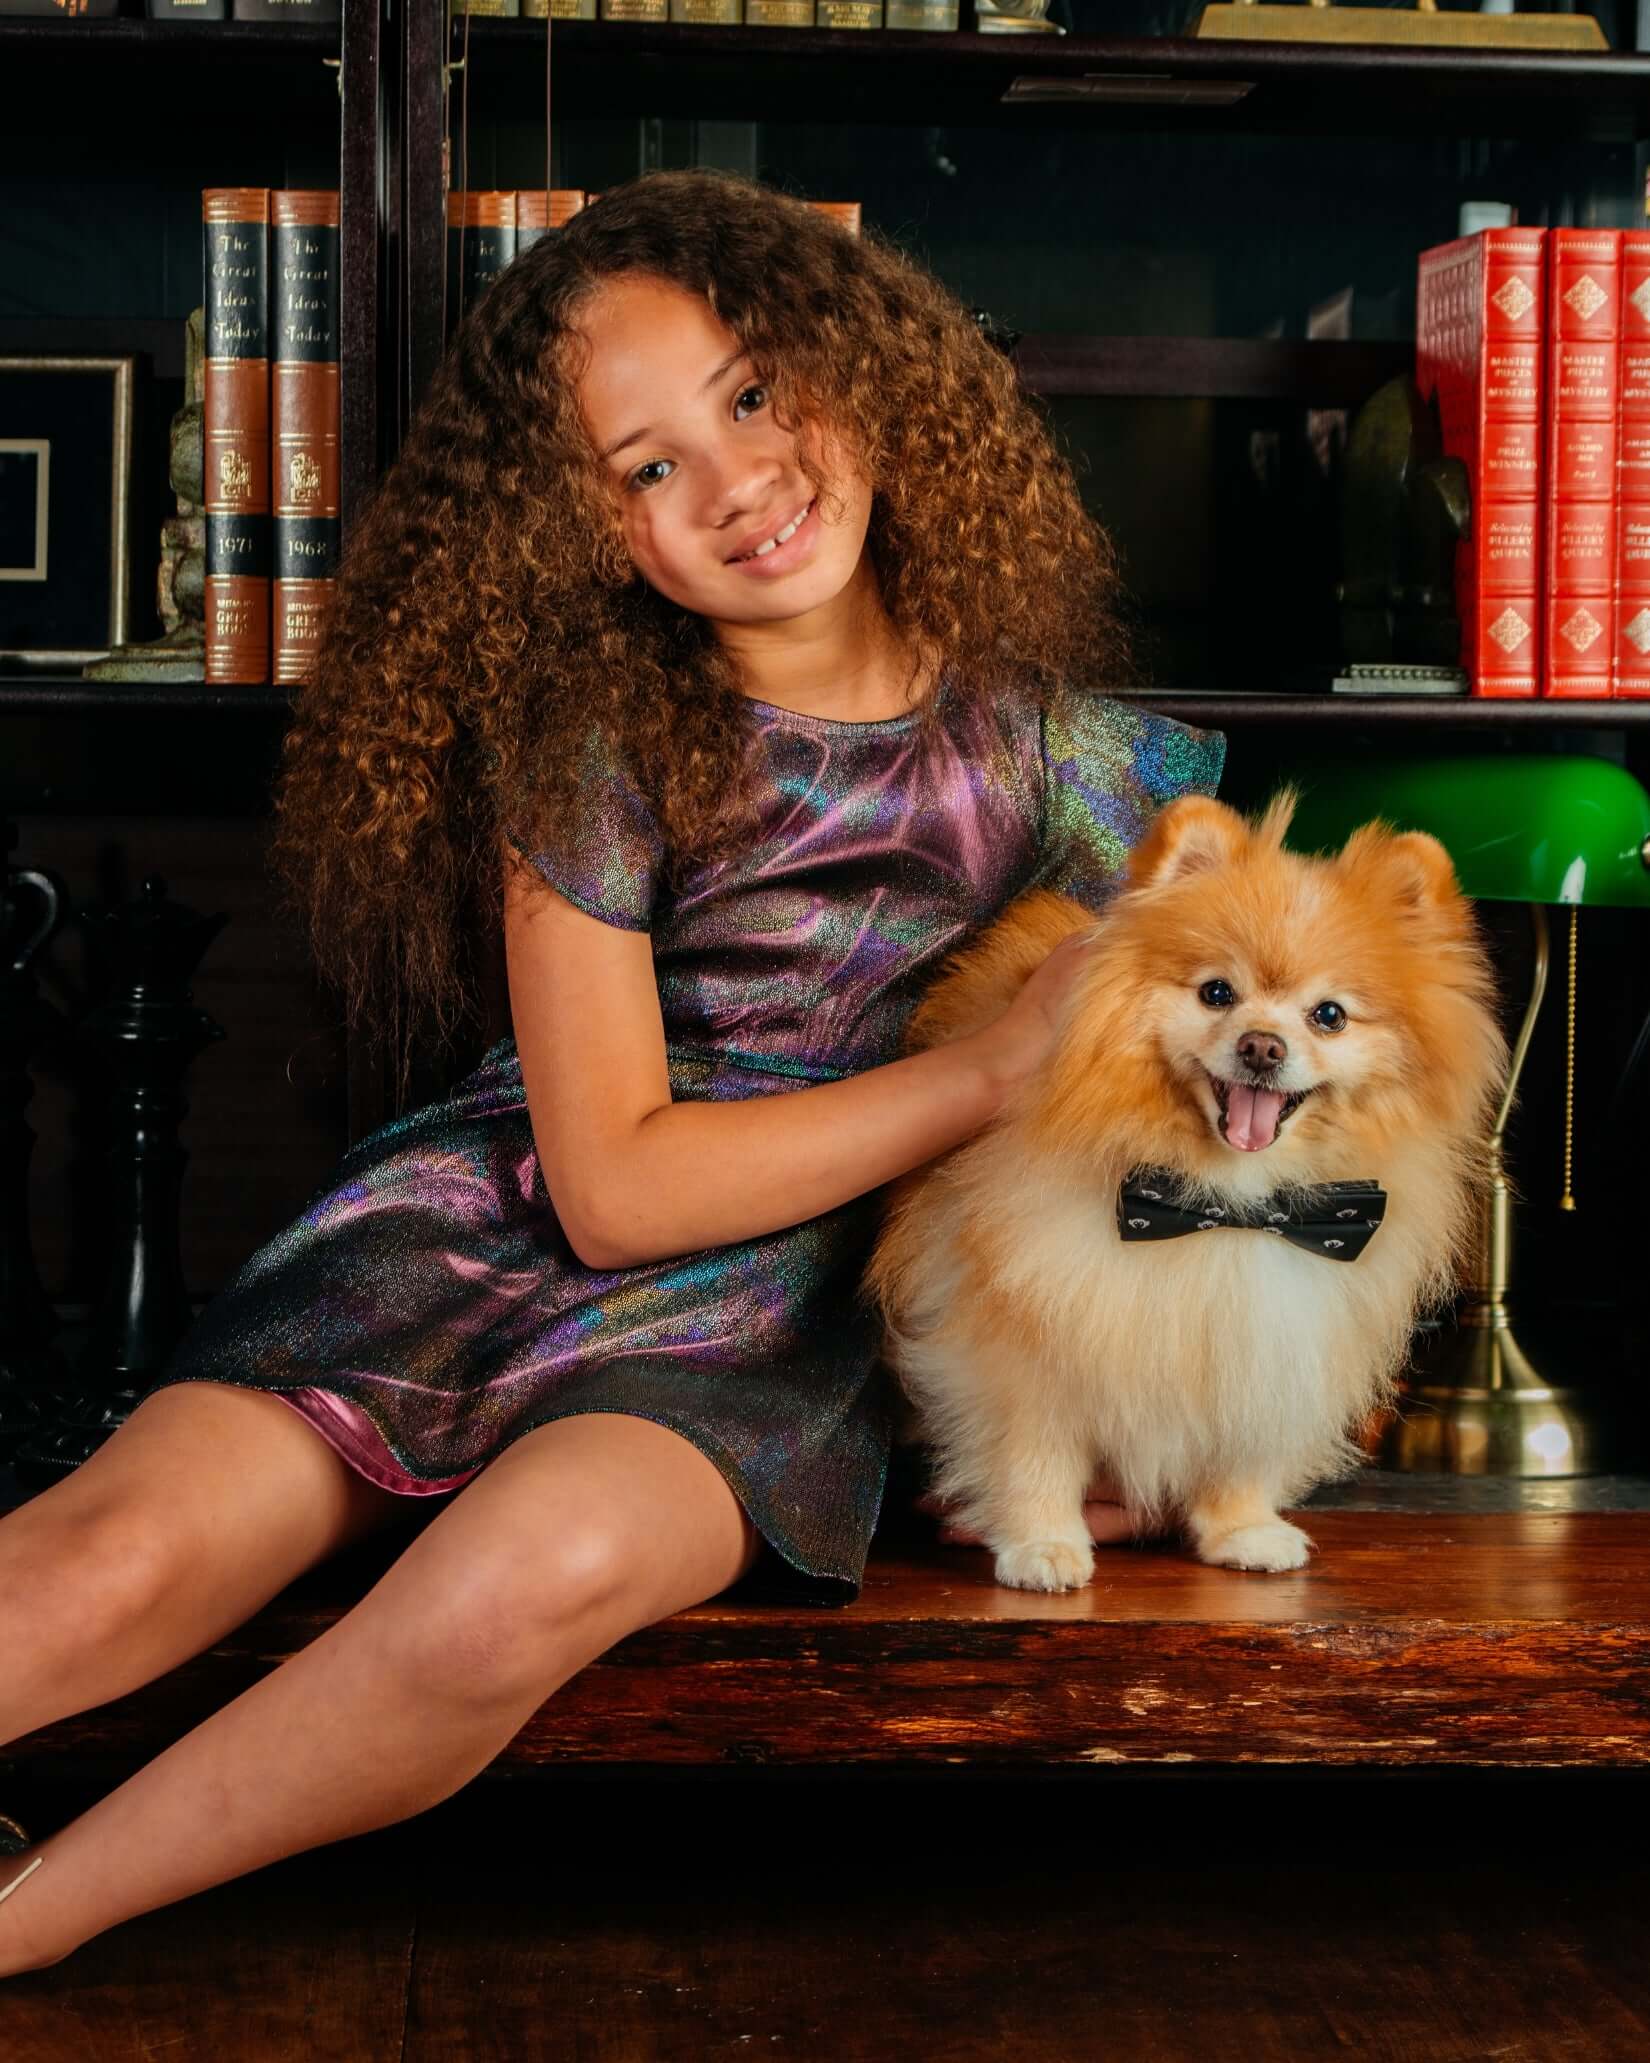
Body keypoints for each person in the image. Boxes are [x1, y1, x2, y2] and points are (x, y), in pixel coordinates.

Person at [0, 168, 1223, 1972]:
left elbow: (1216, 1137)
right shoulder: (594, 739)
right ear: (584, 532)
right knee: (102, 1564)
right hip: (481, 1236)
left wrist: (1161, 1419)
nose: (732, 482)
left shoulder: (1099, 773)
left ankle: (27, 1923)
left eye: (747, 394)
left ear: (861, 371)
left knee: (519, 1587)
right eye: (642, 466)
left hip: (781, 1335)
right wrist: (981, 1080)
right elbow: (615, 1185)